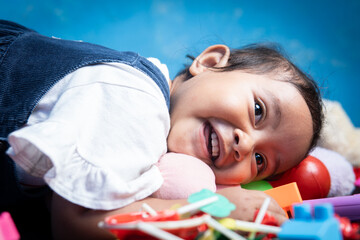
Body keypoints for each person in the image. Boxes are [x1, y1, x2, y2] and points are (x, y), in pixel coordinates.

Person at [0, 19, 323, 240]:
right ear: (209, 63)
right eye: (257, 110)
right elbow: (74, 223)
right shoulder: (136, 100)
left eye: (260, 160)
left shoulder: (153, 147)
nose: (245, 143)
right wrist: (210, 212)